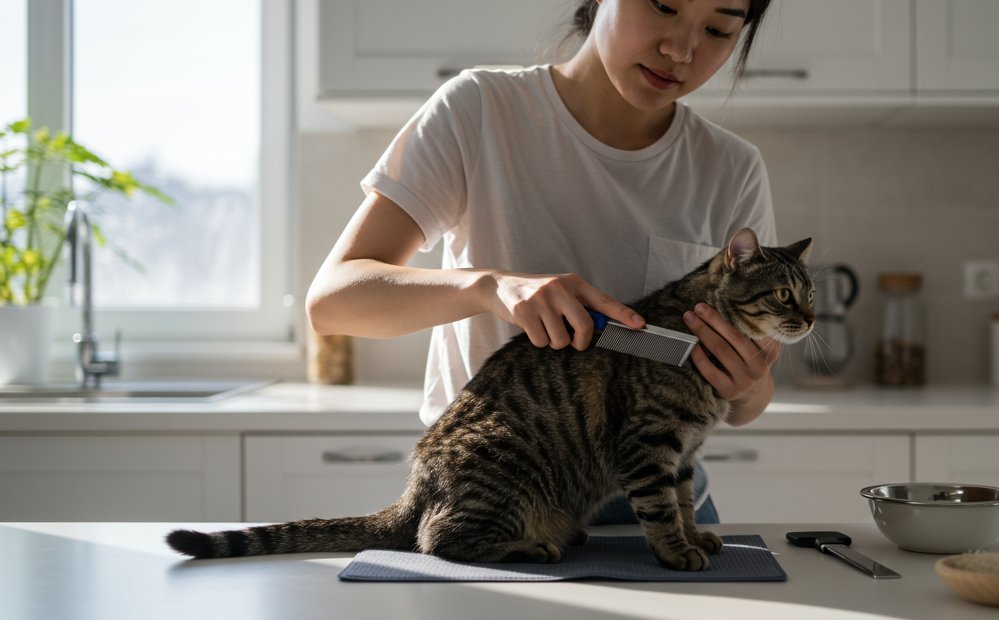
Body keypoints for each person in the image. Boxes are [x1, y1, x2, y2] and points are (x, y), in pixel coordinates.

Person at [307, 0, 779, 524]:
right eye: (663, 5)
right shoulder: (480, 109)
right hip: (503, 501)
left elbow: (749, 402)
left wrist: (748, 385)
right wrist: (488, 287)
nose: (681, 50)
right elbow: (333, 302)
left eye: (718, 29)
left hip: (658, 511)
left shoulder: (731, 168)